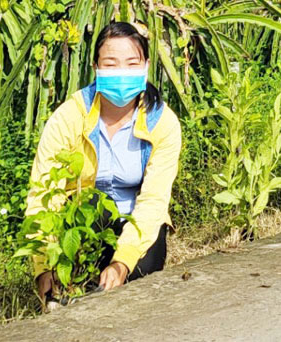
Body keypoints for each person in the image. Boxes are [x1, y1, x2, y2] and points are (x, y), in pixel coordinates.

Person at [25, 22, 182, 304]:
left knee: (141, 278)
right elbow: (43, 194)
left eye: (131, 63)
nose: (122, 72)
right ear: (95, 68)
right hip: (84, 220)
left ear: (146, 66)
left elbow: (153, 202)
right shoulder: (69, 117)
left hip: (136, 221)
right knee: (96, 212)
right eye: (111, 63)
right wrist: (43, 265)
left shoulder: (163, 123)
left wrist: (122, 261)